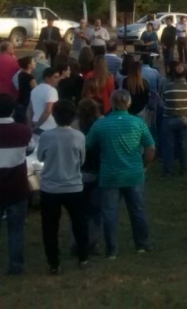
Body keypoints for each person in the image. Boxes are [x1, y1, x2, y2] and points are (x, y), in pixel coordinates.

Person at [86, 89, 156, 257]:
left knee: (110, 213)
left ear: (111, 103)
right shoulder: (138, 123)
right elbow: (150, 147)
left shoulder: (101, 124)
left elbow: (87, 145)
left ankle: (112, 250)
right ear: (129, 103)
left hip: (110, 174)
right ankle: (142, 244)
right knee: (137, 210)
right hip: (134, 173)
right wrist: (145, 165)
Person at [0, 94, 34, 279]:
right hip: (16, 186)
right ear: (12, 110)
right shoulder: (23, 132)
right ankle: (16, 266)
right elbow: (30, 149)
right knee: (16, 228)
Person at [36, 99, 89, 274]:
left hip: (50, 187)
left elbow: (41, 157)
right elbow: (82, 160)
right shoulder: (79, 136)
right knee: (79, 223)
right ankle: (83, 257)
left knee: (50, 227)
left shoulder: (46, 136)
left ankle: (53, 262)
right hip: (73, 186)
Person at [76, 99, 103, 258]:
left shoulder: (74, 126)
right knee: (95, 211)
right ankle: (93, 242)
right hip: (97, 170)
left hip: (79, 171)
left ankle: (78, 241)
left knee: (79, 212)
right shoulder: (101, 125)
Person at [162, 62, 187, 177]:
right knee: (183, 145)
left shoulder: (167, 87)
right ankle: (185, 170)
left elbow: (163, 98)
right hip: (184, 118)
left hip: (169, 117)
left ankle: (168, 171)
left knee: (168, 146)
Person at [29, 67, 63, 133]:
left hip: (35, 123)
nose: (58, 79)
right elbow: (48, 111)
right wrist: (38, 125)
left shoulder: (35, 89)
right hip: (48, 127)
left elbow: (29, 108)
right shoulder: (52, 91)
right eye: (55, 77)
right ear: (47, 78)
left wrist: (30, 122)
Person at [15, 56, 37, 123]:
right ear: (29, 65)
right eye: (33, 61)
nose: (35, 63)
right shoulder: (30, 78)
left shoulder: (20, 74)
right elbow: (36, 90)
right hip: (27, 101)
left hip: (21, 100)